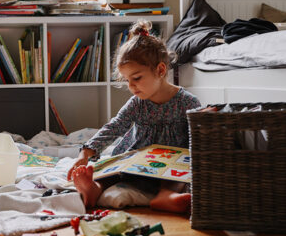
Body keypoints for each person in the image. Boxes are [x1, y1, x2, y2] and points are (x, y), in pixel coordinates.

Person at [67, 20, 201, 213]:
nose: (131, 87)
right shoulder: (137, 103)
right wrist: (86, 153)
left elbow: (196, 140)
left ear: (160, 70)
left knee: (176, 174)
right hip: (135, 164)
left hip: (169, 166)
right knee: (112, 168)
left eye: (136, 78)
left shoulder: (188, 102)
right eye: (127, 80)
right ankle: (94, 190)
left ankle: (165, 197)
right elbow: (115, 127)